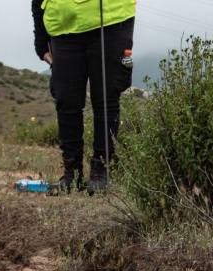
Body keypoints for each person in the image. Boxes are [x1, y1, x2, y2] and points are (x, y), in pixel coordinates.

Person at [31, 0, 135, 194]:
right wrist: (40, 36)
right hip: (62, 25)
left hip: (111, 20)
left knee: (105, 98)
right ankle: (72, 174)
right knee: (66, 100)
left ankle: (101, 172)